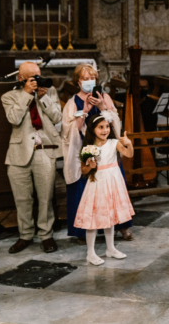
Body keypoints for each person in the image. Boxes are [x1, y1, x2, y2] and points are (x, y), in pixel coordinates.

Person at [61, 64, 133, 243]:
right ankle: (83, 231)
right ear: (78, 81)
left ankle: (122, 226)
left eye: (92, 78)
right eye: (85, 79)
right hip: (86, 152)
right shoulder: (72, 102)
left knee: (113, 189)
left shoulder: (105, 97)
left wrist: (102, 107)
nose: (89, 81)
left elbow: (115, 123)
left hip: (107, 153)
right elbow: (70, 132)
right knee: (84, 191)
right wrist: (84, 111)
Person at [1, 61, 62, 254]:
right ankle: (25, 235)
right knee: (22, 199)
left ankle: (46, 235)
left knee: (45, 197)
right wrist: (27, 94)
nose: (37, 79)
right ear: (21, 79)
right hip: (19, 153)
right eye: (32, 77)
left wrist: (43, 99)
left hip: (45, 149)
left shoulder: (50, 92)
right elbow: (14, 119)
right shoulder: (9, 96)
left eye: (38, 75)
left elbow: (57, 117)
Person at [74, 115, 135, 266]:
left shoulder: (114, 143)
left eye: (107, 126)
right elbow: (83, 170)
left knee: (110, 215)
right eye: (100, 127)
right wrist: (91, 167)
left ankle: (111, 248)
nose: (105, 130)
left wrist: (129, 144)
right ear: (93, 129)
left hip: (113, 181)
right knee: (94, 218)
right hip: (97, 183)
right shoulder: (89, 147)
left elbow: (129, 154)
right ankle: (90, 253)